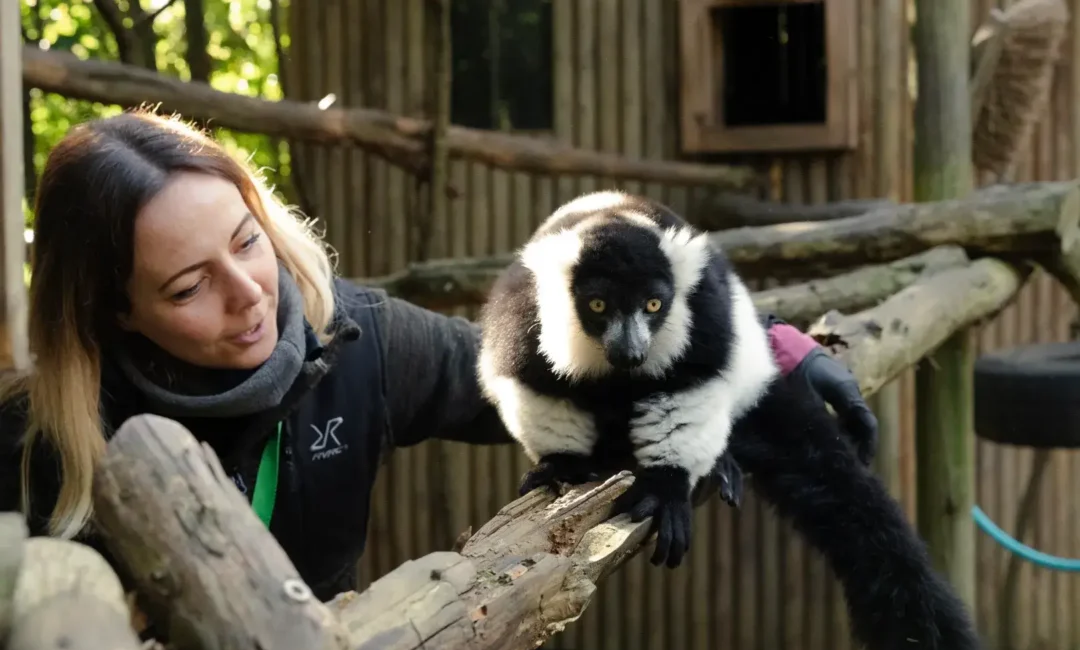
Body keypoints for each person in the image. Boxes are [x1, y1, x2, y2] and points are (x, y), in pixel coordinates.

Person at [0, 111, 876, 602]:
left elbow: (564, 361)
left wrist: (779, 354)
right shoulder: (36, 445)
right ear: (112, 310)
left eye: (248, 241)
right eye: (189, 286)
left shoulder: (358, 340)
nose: (250, 292)